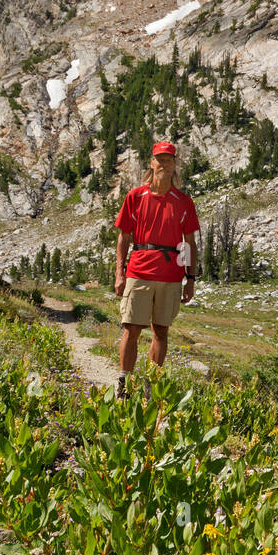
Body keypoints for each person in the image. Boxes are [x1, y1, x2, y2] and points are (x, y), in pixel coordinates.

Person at [113, 141, 200, 399]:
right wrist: (119, 273)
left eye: (169, 160)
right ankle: (124, 383)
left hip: (171, 276)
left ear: (174, 166)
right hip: (138, 271)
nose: (164, 164)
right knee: (131, 327)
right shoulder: (135, 197)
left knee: (161, 330)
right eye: (159, 159)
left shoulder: (183, 202)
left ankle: (151, 386)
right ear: (151, 163)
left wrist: (191, 279)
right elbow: (123, 238)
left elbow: (191, 243)